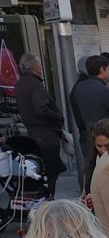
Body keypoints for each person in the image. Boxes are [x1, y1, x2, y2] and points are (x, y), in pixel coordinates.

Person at [16, 54, 65, 197]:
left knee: (41, 169)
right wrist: (58, 117)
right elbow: (41, 109)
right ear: (36, 67)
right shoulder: (35, 85)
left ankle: (43, 196)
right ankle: (48, 197)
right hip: (46, 133)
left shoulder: (20, 84)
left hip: (33, 133)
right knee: (51, 171)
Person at [70, 55, 109, 134]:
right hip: (107, 133)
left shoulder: (79, 87)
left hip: (88, 133)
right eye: (108, 69)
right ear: (102, 69)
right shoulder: (105, 90)